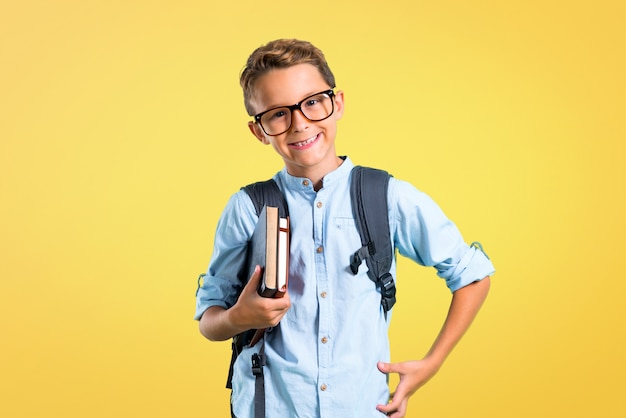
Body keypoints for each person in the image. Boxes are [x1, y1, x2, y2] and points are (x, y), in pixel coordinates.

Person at [195, 38, 495, 418]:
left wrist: (430, 364)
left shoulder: (386, 197)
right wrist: (238, 318)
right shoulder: (248, 208)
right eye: (277, 114)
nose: (300, 123)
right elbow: (210, 319)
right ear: (260, 131)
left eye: (313, 102)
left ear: (337, 103)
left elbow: (472, 275)